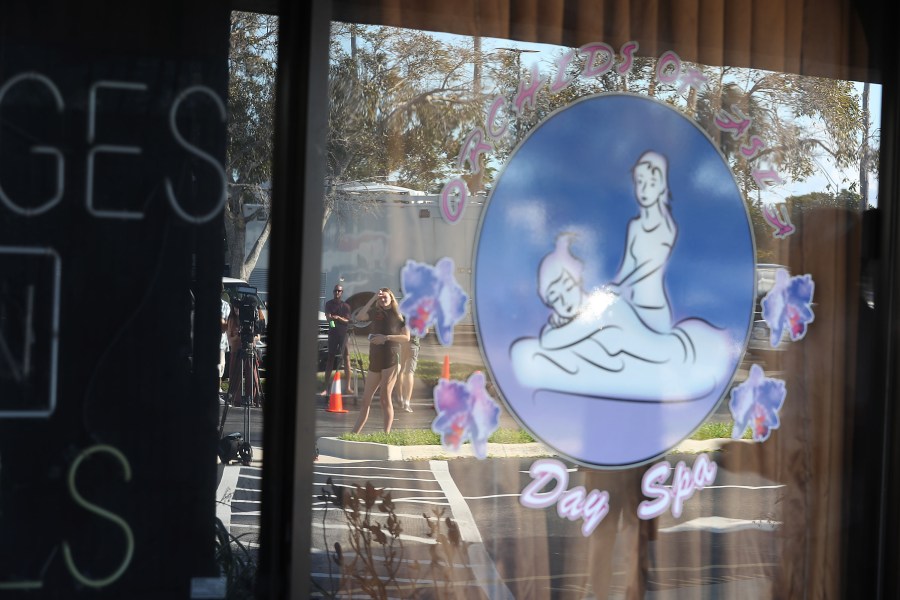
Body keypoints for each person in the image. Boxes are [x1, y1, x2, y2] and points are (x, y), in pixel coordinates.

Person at [510, 151, 734, 401]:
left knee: (617, 330)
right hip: (628, 301)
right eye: (640, 183)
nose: (644, 189)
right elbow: (628, 268)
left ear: (661, 186)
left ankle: (668, 355)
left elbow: (647, 268)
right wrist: (614, 287)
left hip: (651, 308)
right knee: (608, 337)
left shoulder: (665, 227)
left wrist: (615, 294)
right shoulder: (635, 226)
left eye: (651, 183)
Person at [351, 288, 409, 433]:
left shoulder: (399, 315)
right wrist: (372, 298)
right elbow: (359, 317)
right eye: (380, 298)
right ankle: (354, 433)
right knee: (366, 400)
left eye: (385, 297)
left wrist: (386, 338)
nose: (383, 300)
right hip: (375, 359)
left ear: (391, 298)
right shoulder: (375, 313)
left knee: (384, 398)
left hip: (391, 359)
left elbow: (406, 337)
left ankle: (386, 434)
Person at [227, 296, 262, 407]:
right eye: (236, 308)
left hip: (251, 349)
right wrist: (238, 337)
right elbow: (230, 339)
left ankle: (252, 398)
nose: (237, 310)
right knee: (235, 376)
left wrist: (250, 336)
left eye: (239, 309)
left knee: (252, 375)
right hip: (236, 351)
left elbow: (258, 337)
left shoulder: (252, 318)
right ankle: (235, 399)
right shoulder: (232, 319)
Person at [322, 284, 353, 395]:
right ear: (333, 292)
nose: (337, 293)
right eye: (335, 291)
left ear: (342, 292)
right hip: (333, 334)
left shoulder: (345, 306)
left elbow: (347, 321)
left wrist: (338, 318)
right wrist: (333, 325)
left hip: (343, 334)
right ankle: (326, 387)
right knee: (330, 359)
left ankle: (348, 387)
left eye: (339, 291)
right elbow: (328, 318)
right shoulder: (329, 304)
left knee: (346, 358)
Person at [397, 333, 421, 412]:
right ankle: (407, 401)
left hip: (402, 343)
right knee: (409, 372)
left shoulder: (402, 319)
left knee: (401, 370)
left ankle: (399, 397)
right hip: (413, 344)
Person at [219, 284, 231, 397]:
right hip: (219, 343)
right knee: (219, 367)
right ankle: (216, 392)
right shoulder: (224, 305)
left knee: (220, 367)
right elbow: (223, 326)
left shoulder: (226, 305)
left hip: (221, 343)